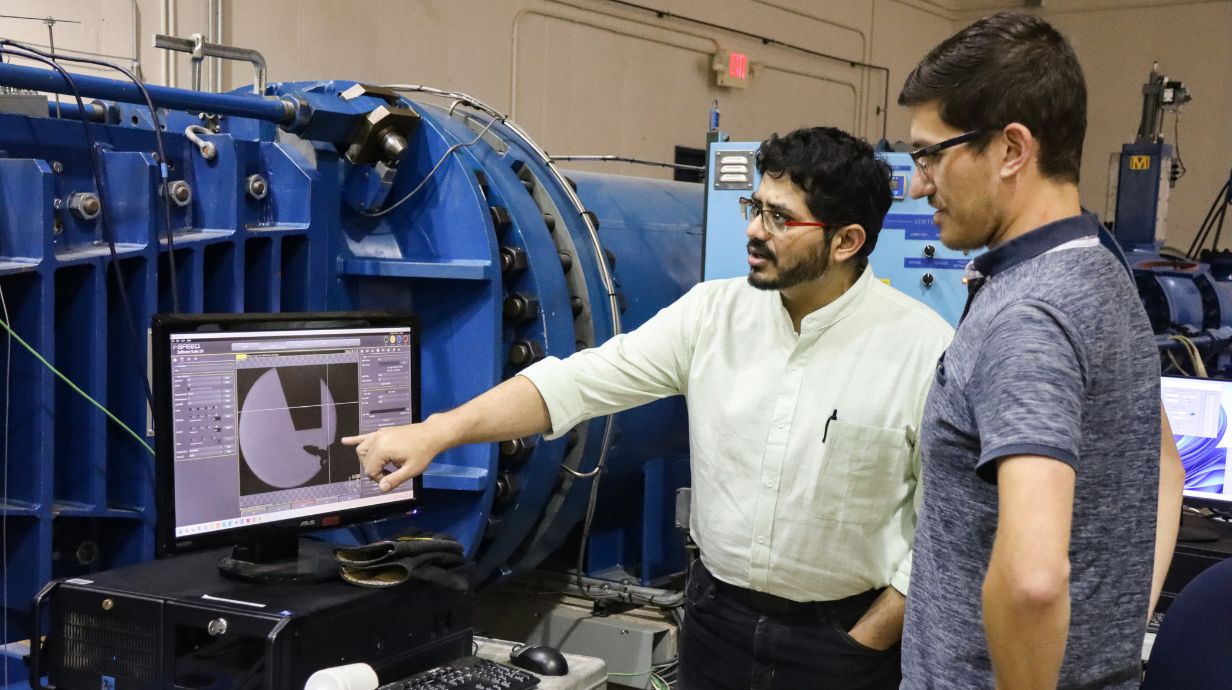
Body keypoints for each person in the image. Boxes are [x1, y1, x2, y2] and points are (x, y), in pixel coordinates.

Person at [343, 127, 953, 689]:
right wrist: (438, 431)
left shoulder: (922, 350)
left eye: (779, 218)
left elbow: (943, 532)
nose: (753, 230)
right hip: (718, 624)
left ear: (846, 241)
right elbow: (577, 383)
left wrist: (863, 640)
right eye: (755, 207)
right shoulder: (713, 315)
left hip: (841, 643)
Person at [896, 12, 1186, 690]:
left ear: (1011, 149)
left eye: (930, 154)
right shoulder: (1102, 271)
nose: (916, 183)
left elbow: (1031, 580)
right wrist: (1108, 634)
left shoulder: (1027, 315)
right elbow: (1165, 466)